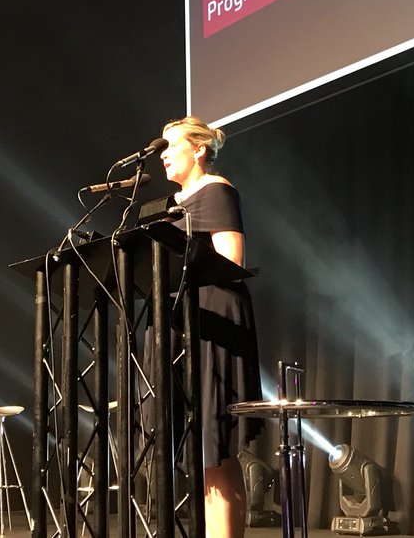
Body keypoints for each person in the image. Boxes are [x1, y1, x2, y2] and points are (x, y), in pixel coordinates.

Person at [159, 116, 262, 538]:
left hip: (211, 319)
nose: (163, 155)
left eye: (171, 145)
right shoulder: (170, 205)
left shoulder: (216, 190)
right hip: (181, 321)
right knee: (198, 454)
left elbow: (231, 261)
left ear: (198, 150)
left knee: (215, 452)